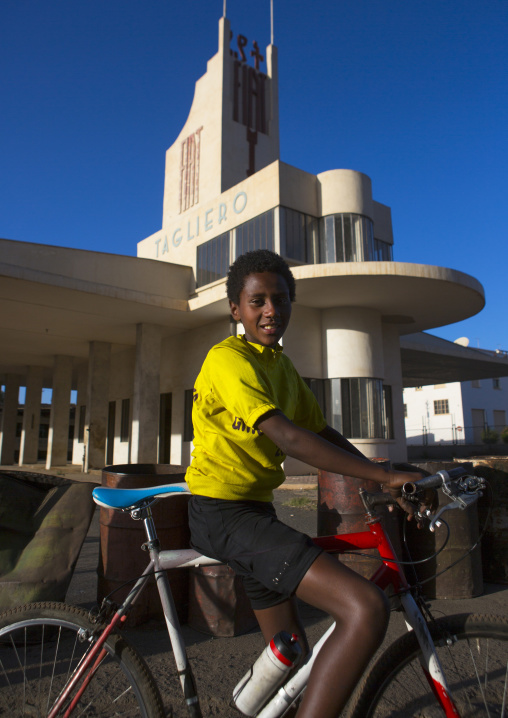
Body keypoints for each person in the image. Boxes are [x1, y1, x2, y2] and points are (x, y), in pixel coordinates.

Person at [186, 249, 423, 718]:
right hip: (221, 513)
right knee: (365, 609)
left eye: (280, 298)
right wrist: (384, 474)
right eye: (257, 301)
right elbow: (290, 437)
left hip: (255, 514)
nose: (271, 310)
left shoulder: (282, 367)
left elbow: (319, 431)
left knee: (289, 650)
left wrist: (377, 480)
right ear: (236, 309)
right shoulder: (228, 360)